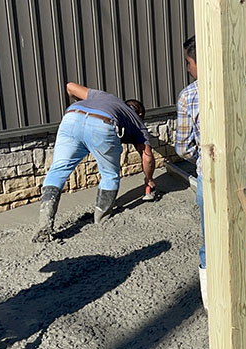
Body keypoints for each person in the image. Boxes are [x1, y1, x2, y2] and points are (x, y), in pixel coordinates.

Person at [175, 36, 246, 311]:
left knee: (214, 240)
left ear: (202, 61)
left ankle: (215, 304)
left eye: (189, 62)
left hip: (210, 182)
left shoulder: (189, 96)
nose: (188, 68)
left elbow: (184, 147)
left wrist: (204, 160)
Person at [33, 82, 155, 242]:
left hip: (71, 118)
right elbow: (147, 156)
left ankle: (44, 225)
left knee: (57, 171)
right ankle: (101, 219)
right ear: (139, 114)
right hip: (103, 124)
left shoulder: (104, 97)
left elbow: (69, 86)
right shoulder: (137, 122)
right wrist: (149, 179)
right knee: (110, 175)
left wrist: (85, 110)